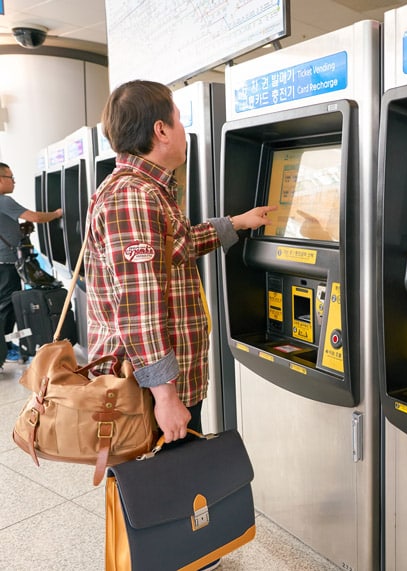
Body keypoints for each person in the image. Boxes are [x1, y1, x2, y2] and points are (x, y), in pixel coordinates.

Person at [85, 80, 274, 571]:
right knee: (162, 485)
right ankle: (170, 558)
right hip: (152, 385)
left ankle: (183, 555)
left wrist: (240, 223)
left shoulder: (146, 190)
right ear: (160, 129)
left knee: (169, 479)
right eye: (180, 119)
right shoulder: (133, 197)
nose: (186, 130)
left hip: (164, 376)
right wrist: (165, 396)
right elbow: (141, 305)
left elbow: (177, 247)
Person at [0, 162, 63, 371]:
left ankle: (7, 347)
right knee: (7, 309)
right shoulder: (4, 201)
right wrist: (57, 213)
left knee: (6, 307)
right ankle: (5, 349)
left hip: (4, 263)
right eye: (10, 177)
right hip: (7, 265)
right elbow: (35, 217)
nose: (14, 181)